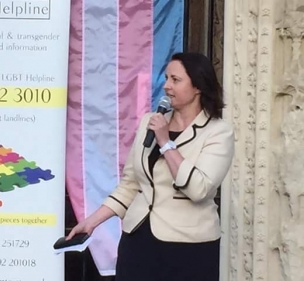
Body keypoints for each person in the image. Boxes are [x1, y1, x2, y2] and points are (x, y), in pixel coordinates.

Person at [67, 52, 235, 281]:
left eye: (175, 80)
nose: (166, 86)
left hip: (188, 247)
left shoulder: (218, 132)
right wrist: (91, 222)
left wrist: (166, 143)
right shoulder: (151, 122)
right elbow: (130, 184)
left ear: (198, 86)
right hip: (138, 241)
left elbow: (199, 189)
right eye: (166, 78)